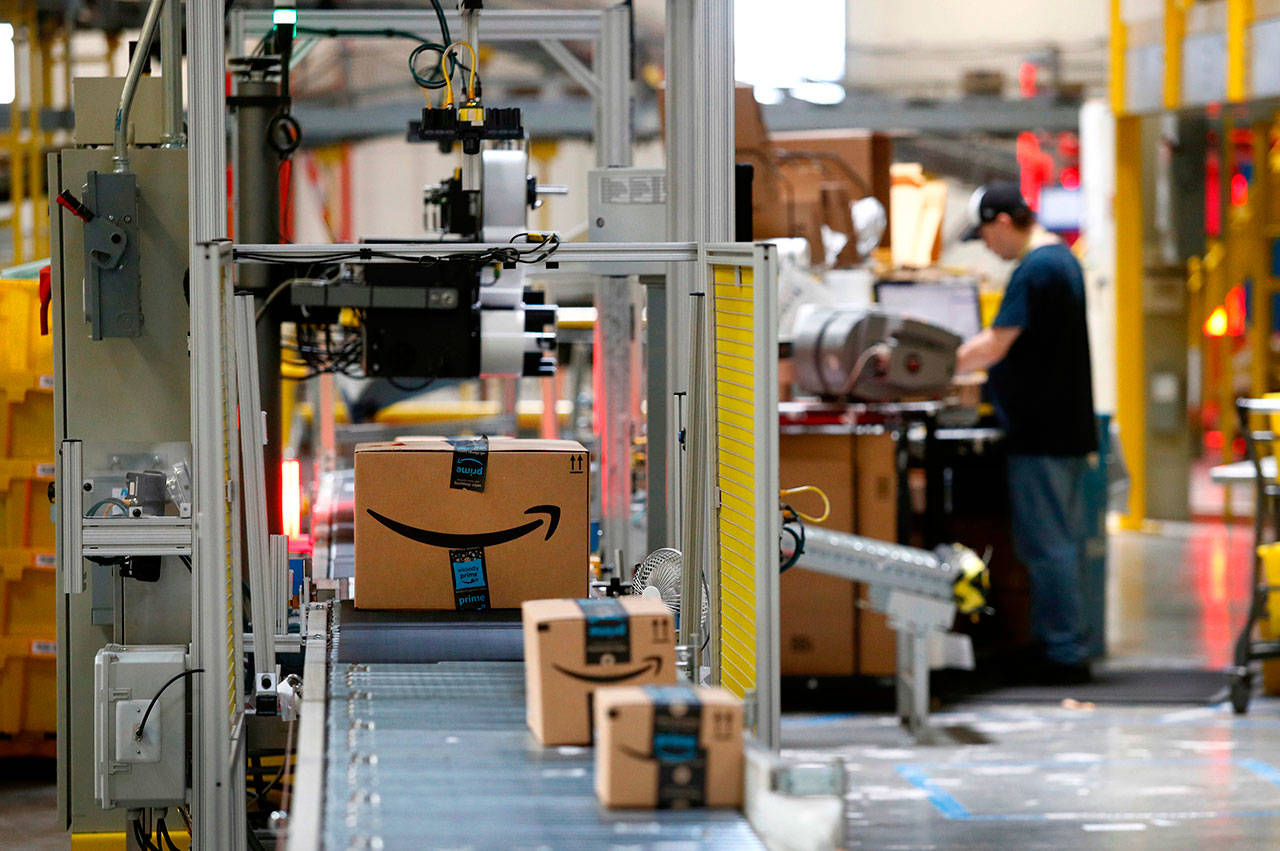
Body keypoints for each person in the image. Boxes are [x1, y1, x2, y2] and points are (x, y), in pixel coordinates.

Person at [955, 181, 1097, 683]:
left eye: (987, 237)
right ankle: (1061, 644)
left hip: (1043, 433)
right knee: (1060, 542)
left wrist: (934, 364)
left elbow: (996, 344)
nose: (989, 248)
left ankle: (1063, 654)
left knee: (1047, 545)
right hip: (1063, 429)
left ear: (1002, 222)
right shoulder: (1061, 260)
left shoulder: (1036, 269)